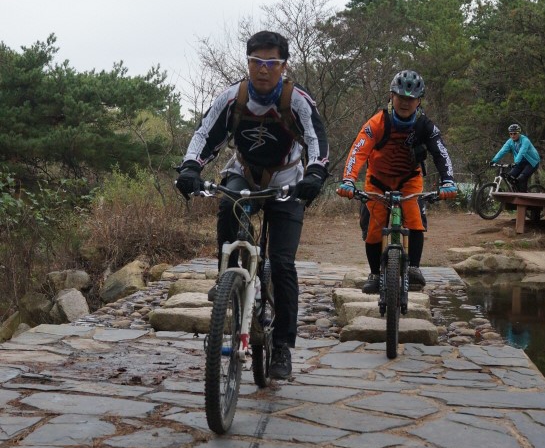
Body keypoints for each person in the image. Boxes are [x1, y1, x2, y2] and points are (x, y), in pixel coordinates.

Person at [175, 31, 329, 379]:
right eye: (256, 61)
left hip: (288, 180)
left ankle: (283, 347)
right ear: (248, 63)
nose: (263, 69)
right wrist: (190, 168)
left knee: (283, 263)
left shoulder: (297, 100)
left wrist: (316, 173)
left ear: (283, 66)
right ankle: (227, 276)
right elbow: (205, 133)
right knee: (227, 203)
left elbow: (316, 139)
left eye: (271, 63)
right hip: (243, 173)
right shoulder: (233, 97)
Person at [336, 70, 457, 293]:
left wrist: (448, 181)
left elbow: (441, 152)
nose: (405, 103)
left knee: (415, 220)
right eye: (401, 97)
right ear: (391, 96)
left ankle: (414, 268)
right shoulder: (377, 122)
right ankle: (374, 274)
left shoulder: (424, 125)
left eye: (411, 99)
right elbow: (358, 150)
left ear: (419, 101)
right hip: (377, 180)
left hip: (409, 180)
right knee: (374, 228)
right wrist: (349, 180)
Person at [490, 124, 540, 192]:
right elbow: (502, 151)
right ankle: (517, 192)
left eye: (514, 133)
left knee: (521, 178)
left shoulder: (525, 140)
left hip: (532, 162)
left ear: (519, 133)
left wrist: (516, 162)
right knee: (510, 177)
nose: (512, 136)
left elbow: (522, 152)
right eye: (511, 134)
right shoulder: (510, 141)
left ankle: (523, 195)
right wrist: (494, 160)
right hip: (520, 162)